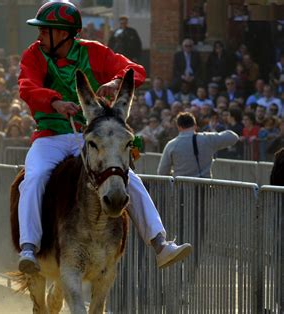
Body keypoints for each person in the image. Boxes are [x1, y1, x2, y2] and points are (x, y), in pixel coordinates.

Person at [17, 1, 192, 274]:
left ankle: (160, 243)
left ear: (63, 33)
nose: (40, 35)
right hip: (49, 137)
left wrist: (116, 81)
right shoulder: (33, 55)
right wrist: (55, 103)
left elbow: (135, 70)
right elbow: (27, 87)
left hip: (87, 139)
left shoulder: (93, 51)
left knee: (129, 178)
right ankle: (29, 247)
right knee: (34, 177)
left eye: (46, 29)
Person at [157, 112, 239, 178]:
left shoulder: (171, 145)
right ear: (195, 125)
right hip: (205, 189)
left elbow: (162, 172)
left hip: (181, 190)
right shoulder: (207, 138)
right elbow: (233, 137)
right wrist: (212, 133)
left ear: (178, 127)